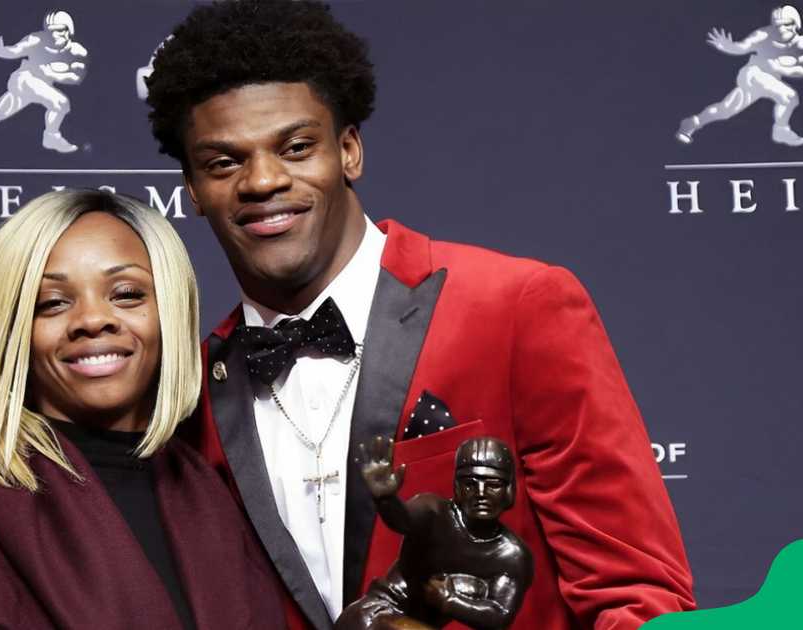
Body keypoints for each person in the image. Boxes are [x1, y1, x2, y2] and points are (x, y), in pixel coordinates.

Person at [143, 1, 696, 629]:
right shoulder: (189, 391)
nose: (263, 180)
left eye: (296, 147)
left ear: (348, 150)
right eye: (224, 162)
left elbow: (634, 593)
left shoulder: (516, 307)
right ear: (191, 190)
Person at [0, 190, 286, 629]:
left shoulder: (214, 490)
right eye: (53, 303)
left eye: (127, 294)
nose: (93, 320)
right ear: (12, 328)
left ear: (168, 311)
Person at [336, 437, 532, 630]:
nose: (481, 492)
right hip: (373, 617)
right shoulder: (434, 512)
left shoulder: (512, 556)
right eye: (470, 484)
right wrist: (386, 500)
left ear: (509, 490)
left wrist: (450, 601)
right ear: (457, 487)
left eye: (493, 485)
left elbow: (499, 615)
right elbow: (403, 520)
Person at [0, 10, 86, 153]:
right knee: (60, 102)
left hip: (40, 86)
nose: (55, 35)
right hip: (25, 79)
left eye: (59, 30)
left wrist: (53, 73)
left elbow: (76, 77)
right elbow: (14, 51)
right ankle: (51, 137)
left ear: (69, 29)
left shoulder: (77, 51)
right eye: (51, 30)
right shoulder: (36, 40)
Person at [677, 5, 803, 146]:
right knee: (789, 96)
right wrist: (729, 47)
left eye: (785, 24)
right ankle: (781, 130)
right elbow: (743, 46)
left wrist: (781, 68)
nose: (780, 29)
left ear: (795, 24)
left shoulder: (801, 45)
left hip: (769, 80)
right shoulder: (764, 34)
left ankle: (693, 122)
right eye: (777, 25)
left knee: (725, 110)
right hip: (754, 74)